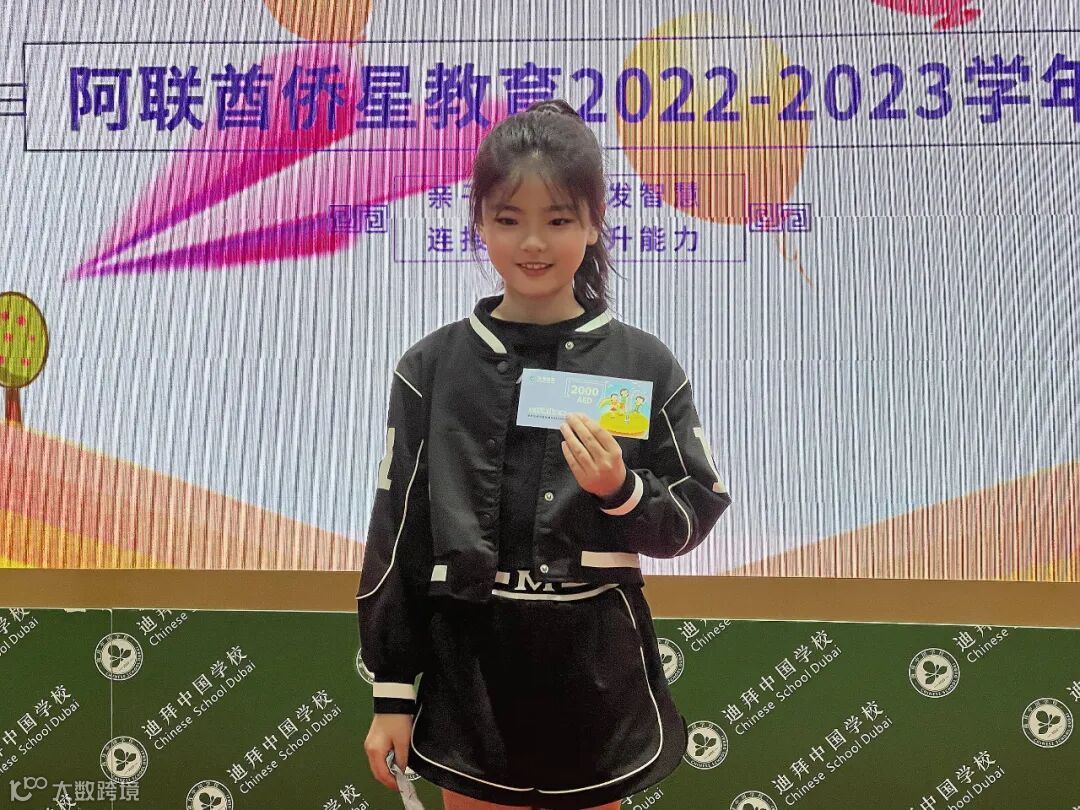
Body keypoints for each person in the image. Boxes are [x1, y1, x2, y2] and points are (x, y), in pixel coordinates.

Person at [356, 98, 731, 810]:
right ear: (478, 223)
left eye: (558, 220)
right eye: (508, 219)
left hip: (594, 670)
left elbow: (694, 511)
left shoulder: (642, 364)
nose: (533, 242)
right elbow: (398, 533)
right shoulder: (431, 368)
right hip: (471, 671)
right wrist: (393, 692)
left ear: (593, 223)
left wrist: (622, 490)